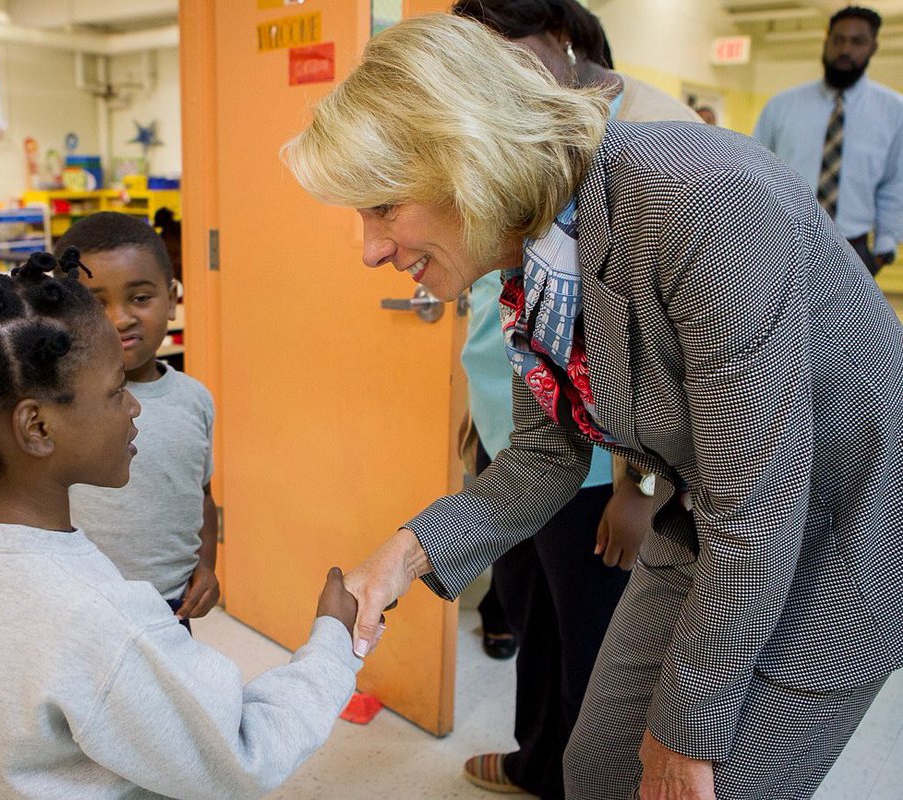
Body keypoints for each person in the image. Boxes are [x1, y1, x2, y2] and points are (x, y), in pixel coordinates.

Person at [283, 13, 903, 799]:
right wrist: (399, 559)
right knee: (598, 766)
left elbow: (763, 507)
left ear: (465, 160)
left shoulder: (704, 202)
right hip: (724, 515)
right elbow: (544, 457)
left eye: (381, 208)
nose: (369, 248)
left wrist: (688, 733)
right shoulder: (534, 260)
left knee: (704, 780)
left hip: (848, 530)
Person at [0, 252, 361, 797]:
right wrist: (332, 642)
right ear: (37, 426)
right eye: (114, 391)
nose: (134, 407)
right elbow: (242, 755)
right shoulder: (101, 618)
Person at [447, 1, 701, 795]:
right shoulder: (509, 124)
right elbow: (505, 284)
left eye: (506, 55)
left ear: (561, 37)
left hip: (599, 459)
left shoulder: (656, 135)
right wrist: (478, 403)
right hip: (514, 418)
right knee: (528, 613)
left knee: (590, 634)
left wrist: (640, 487)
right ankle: (537, 763)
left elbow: (662, 340)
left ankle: (581, 778)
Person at [54, 212, 219, 629]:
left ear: (173, 296)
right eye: (95, 304)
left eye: (140, 298)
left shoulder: (194, 399)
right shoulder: (59, 403)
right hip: (81, 608)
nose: (120, 318)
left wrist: (206, 566)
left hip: (171, 608)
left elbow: (201, 494)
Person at [754, 5, 903, 275]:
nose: (845, 50)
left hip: (854, 249)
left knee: (850, 319)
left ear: (873, 47)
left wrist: (883, 251)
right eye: (838, 39)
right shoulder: (781, 106)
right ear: (827, 41)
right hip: (783, 241)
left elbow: (895, 184)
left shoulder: (894, 111)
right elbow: (755, 173)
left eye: (857, 41)